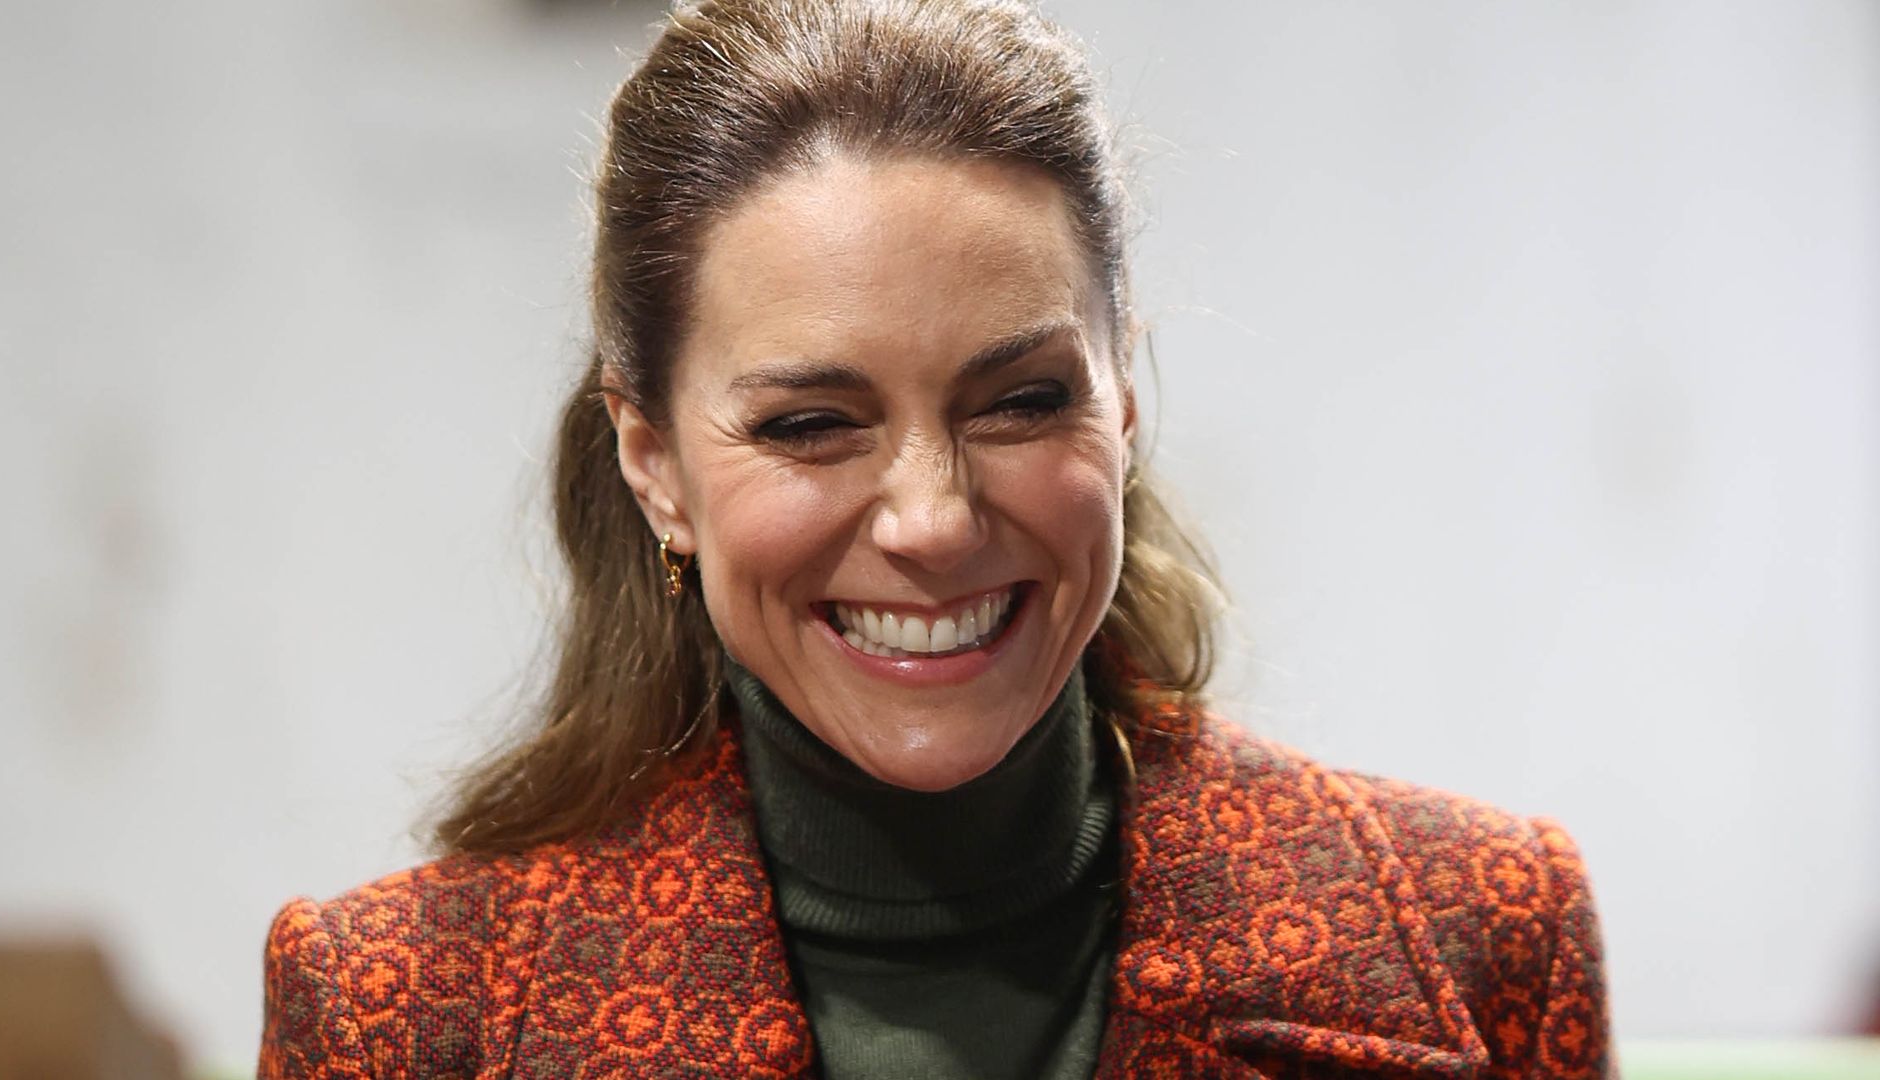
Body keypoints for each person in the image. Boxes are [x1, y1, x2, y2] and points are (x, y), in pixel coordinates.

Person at [258, 1, 1613, 1076]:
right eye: (811, 425)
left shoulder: (1480, 936)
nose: (933, 519)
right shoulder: (403, 1019)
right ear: (654, 464)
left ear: (1124, 405)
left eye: (1021, 402)